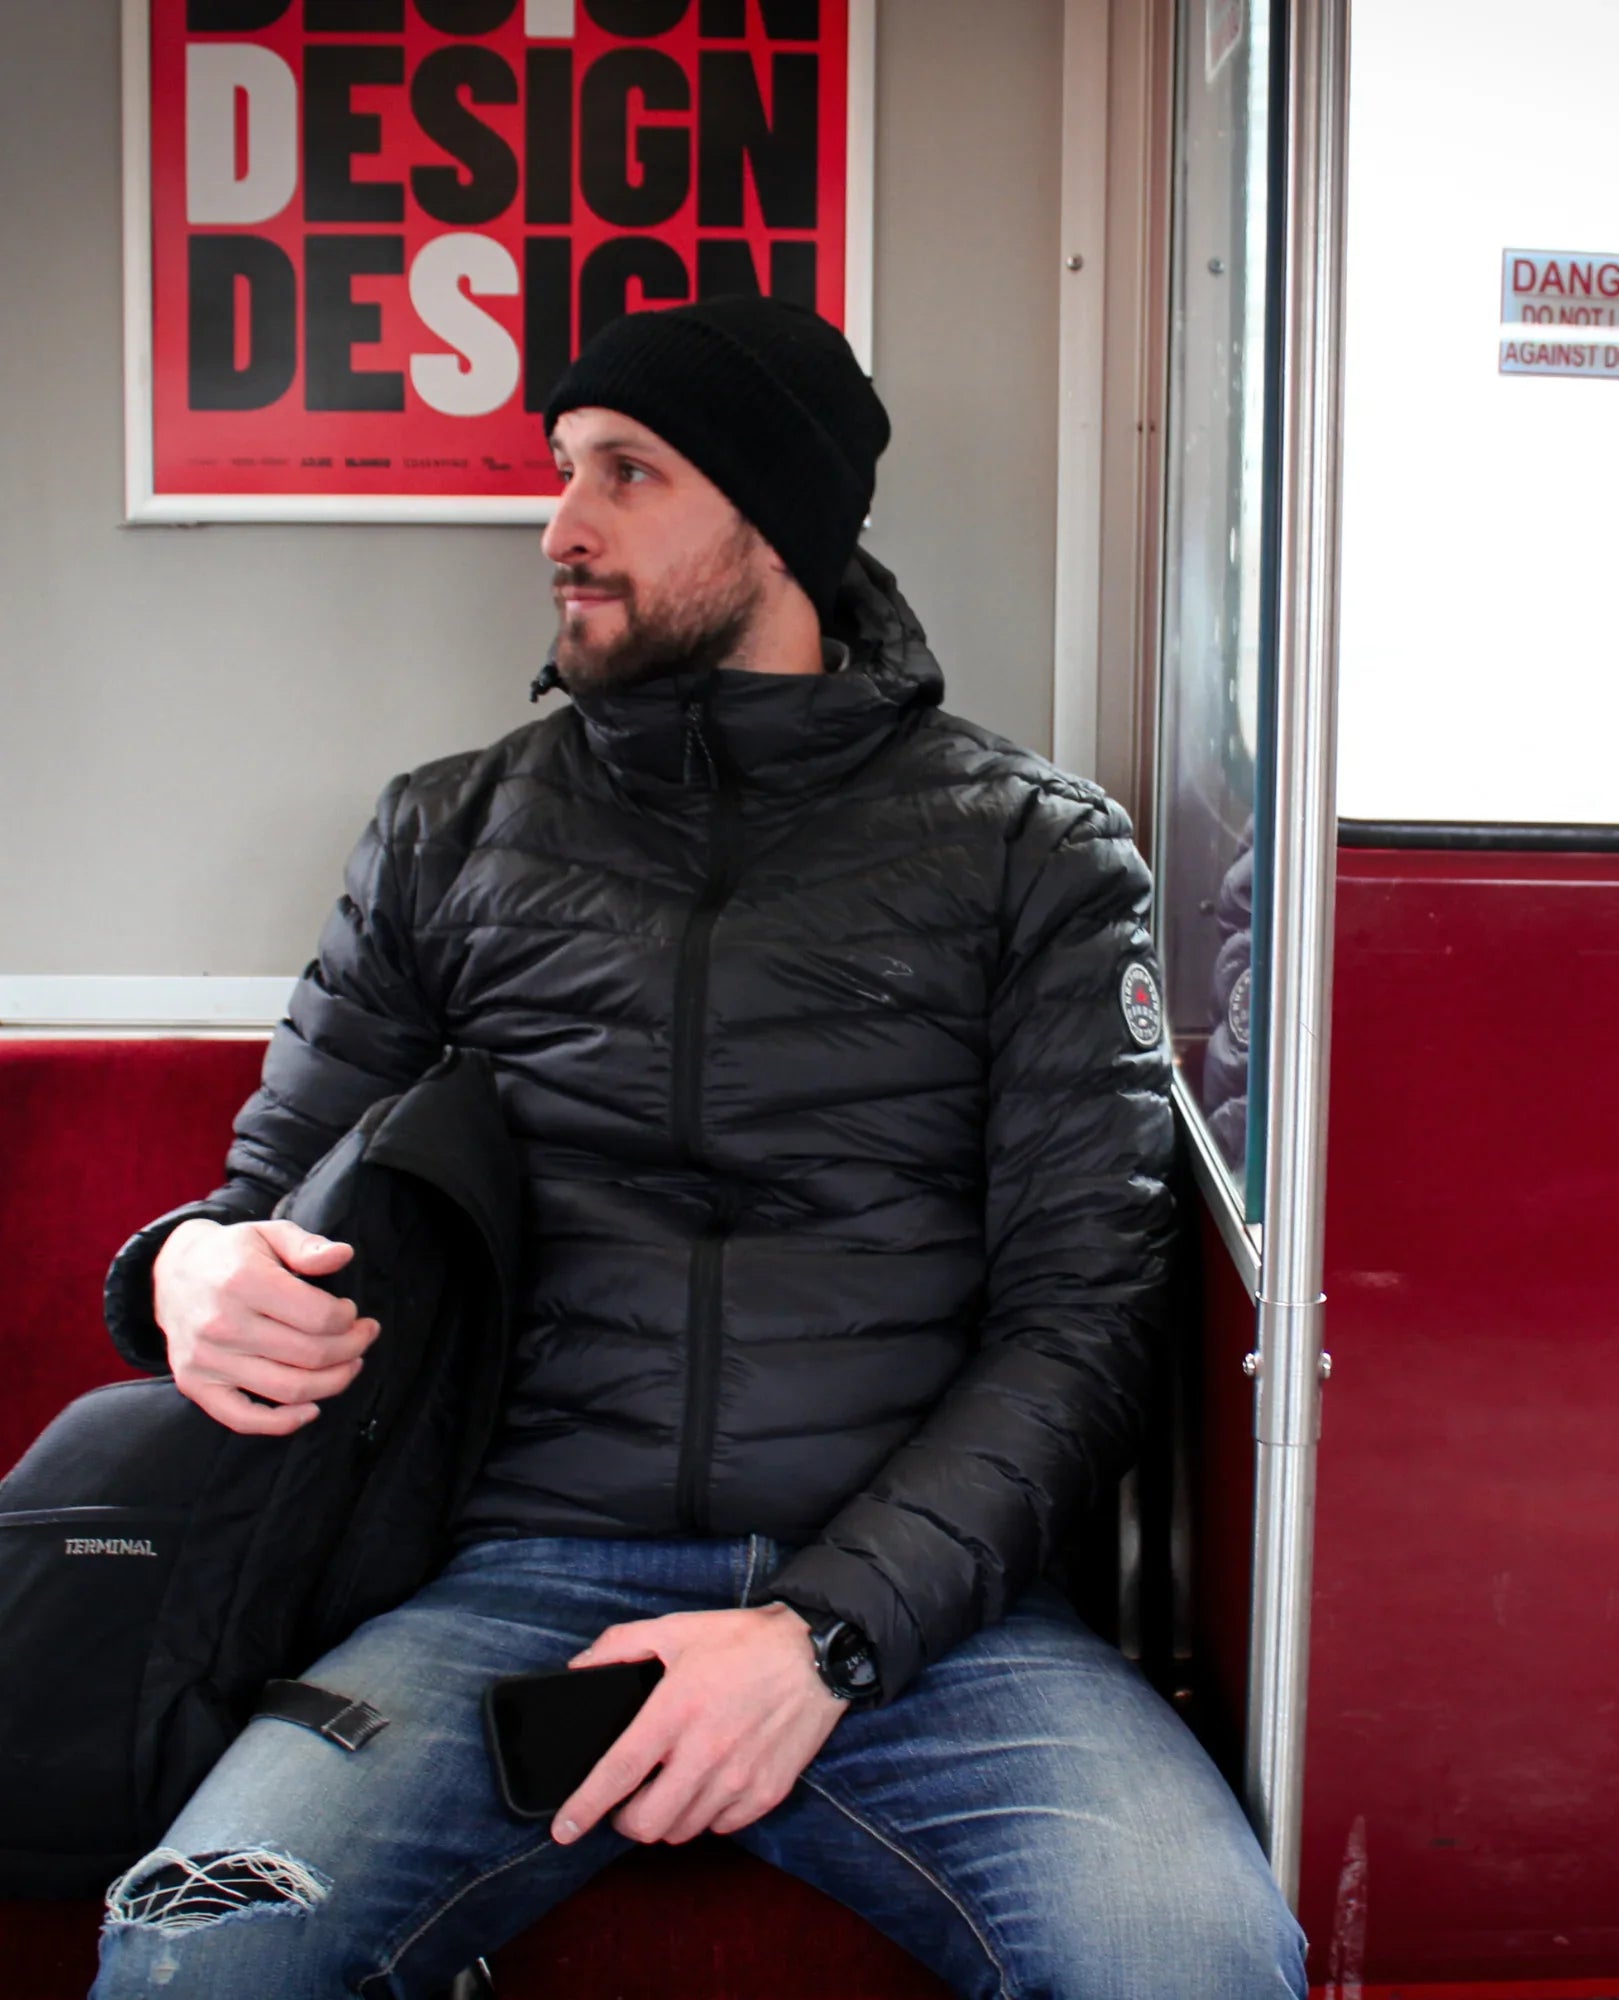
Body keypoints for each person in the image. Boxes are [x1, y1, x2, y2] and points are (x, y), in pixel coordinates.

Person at [88, 297, 1307, 2000]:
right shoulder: (448, 832)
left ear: (777, 524)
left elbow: (1084, 1327)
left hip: (924, 1617)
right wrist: (184, 1277)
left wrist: (824, 1637)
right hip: (506, 1591)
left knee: (1192, 1964)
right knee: (188, 1960)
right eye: (562, 470)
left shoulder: (1030, 852)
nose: (556, 528)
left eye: (628, 474)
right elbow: (246, 1212)